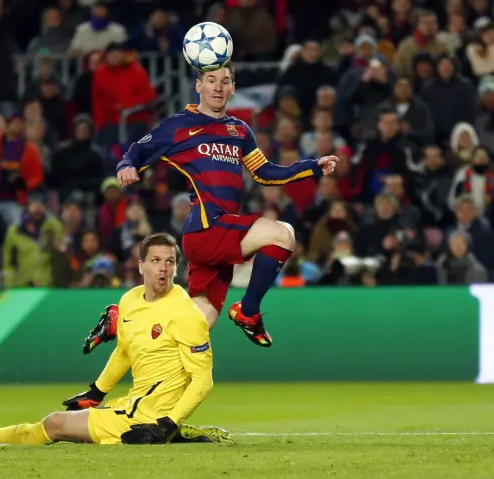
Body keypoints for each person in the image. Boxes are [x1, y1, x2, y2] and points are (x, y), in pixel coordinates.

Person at [114, 62, 338, 349]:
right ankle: (248, 311)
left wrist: (313, 167)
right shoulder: (179, 125)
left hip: (219, 235)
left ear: (233, 88)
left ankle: (122, 322)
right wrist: (127, 165)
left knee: (200, 320)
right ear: (199, 86)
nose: (218, 87)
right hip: (206, 227)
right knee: (283, 234)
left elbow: (266, 173)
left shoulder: (240, 131)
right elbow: (137, 150)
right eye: (211, 80)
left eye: (225, 81)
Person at [0, 233, 231, 446]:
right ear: (141, 266)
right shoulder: (130, 301)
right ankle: (179, 433)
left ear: (176, 268)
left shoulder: (186, 314)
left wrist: (165, 425)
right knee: (69, 423)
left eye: (169, 262)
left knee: (54, 424)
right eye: (156, 260)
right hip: (133, 406)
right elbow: (124, 352)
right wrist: (97, 391)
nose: (163, 268)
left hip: (151, 417)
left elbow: (202, 381)